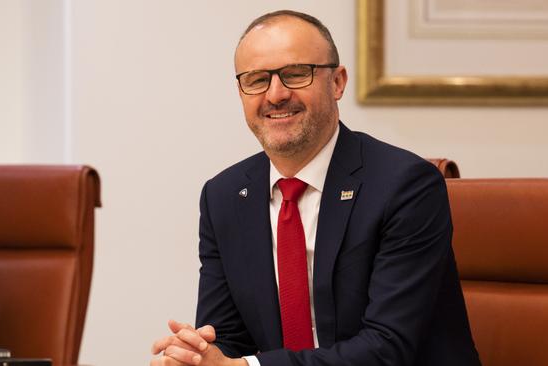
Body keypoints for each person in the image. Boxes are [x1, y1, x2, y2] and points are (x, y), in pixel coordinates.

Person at [151, 10, 480, 366]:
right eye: (257, 79)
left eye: (295, 74)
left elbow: (387, 347)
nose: (275, 95)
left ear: (337, 82)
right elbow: (228, 337)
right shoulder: (223, 197)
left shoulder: (406, 186)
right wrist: (197, 358)